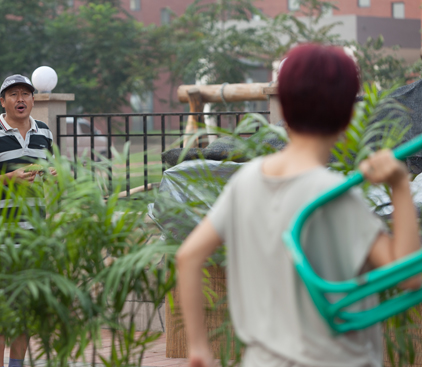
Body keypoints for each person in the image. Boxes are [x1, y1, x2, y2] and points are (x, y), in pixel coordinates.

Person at [176, 44, 422, 367]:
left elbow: (188, 256)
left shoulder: (245, 181)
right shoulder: (333, 195)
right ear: (350, 113)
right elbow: (406, 275)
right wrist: (400, 185)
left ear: (285, 111)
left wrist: (198, 348)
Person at [0, 74, 55, 367]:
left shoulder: (44, 133)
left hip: (33, 239)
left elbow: (53, 176)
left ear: (33, 99)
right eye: (13, 94)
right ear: (2, 101)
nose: (21, 99)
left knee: (26, 310)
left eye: (26, 94)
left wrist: (56, 176)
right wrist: (8, 178)